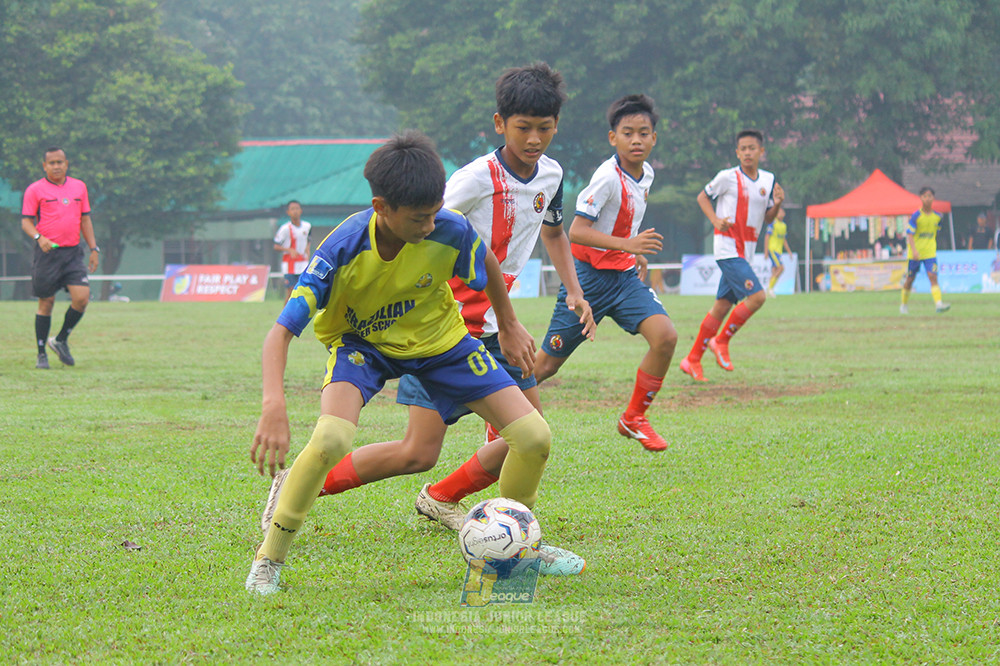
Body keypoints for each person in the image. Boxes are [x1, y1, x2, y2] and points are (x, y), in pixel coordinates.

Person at [258, 63, 592, 576]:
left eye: (545, 127)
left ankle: (511, 544)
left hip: (447, 337)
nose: (432, 224)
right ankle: (274, 549)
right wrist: (273, 403)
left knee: (532, 437)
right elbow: (281, 329)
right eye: (524, 126)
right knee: (374, 445)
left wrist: (510, 320)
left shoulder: (462, 218)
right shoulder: (351, 243)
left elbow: (487, 259)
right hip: (375, 340)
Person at [533, 93, 677, 451]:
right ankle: (498, 412)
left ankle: (634, 418)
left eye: (644, 133)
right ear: (613, 138)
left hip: (624, 278)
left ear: (654, 138)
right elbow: (577, 231)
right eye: (627, 133)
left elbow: (623, 222)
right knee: (547, 364)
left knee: (665, 337)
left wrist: (631, 251)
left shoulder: (647, 174)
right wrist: (629, 245)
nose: (637, 140)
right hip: (587, 280)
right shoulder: (606, 177)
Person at [679, 129, 784, 382]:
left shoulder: (768, 181)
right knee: (757, 297)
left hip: (746, 251)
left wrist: (777, 203)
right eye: (743, 149)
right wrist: (715, 220)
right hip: (727, 249)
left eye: (752, 148)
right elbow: (703, 197)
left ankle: (691, 359)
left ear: (761, 152)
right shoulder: (727, 177)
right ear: (737, 153)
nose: (747, 152)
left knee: (721, 307)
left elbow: (767, 217)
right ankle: (721, 341)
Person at [20, 147, 100, 370]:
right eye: (52, 163)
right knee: (46, 302)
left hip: (73, 252)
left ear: (67, 164)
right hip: (47, 254)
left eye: (60, 162)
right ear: (44, 166)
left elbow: (85, 220)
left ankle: (61, 339)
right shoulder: (34, 190)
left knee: (82, 298)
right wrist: (39, 237)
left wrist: (94, 248)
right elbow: (26, 221)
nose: (56, 166)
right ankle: (41, 353)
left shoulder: (79, 187)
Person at [900, 186, 950, 314]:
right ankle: (903, 304)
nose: (927, 199)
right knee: (910, 280)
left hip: (930, 254)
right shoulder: (916, 216)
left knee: (932, 276)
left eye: (930, 196)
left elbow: (937, 232)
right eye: (925, 196)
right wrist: (914, 250)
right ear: (921, 198)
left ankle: (939, 304)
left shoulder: (938, 217)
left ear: (933, 198)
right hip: (915, 254)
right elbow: (910, 233)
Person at [272, 200, 312, 303]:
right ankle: (284, 318)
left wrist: (307, 250)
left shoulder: (307, 226)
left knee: (304, 291)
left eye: (297, 208)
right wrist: (289, 250)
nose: (295, 211)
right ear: (288, 212)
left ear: (301, 211)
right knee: (290, 293)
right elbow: (276, 246)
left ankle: (300, 317)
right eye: (292, 209)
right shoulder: (285, 228)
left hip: (303, 264)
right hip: (290, 265)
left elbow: (308, 240)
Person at [764, 206, 792, 297]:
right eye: (780, 212)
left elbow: (784, 240)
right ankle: (769, 288)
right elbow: (767, 236)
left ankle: (769, 290)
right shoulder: (773, 223)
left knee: (775, 270)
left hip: (779, 251)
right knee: (781, 268)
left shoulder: (784, 225)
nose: (782, 214)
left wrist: (789, 252)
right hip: (773, 249)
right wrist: (766, 251)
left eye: (783, 212)